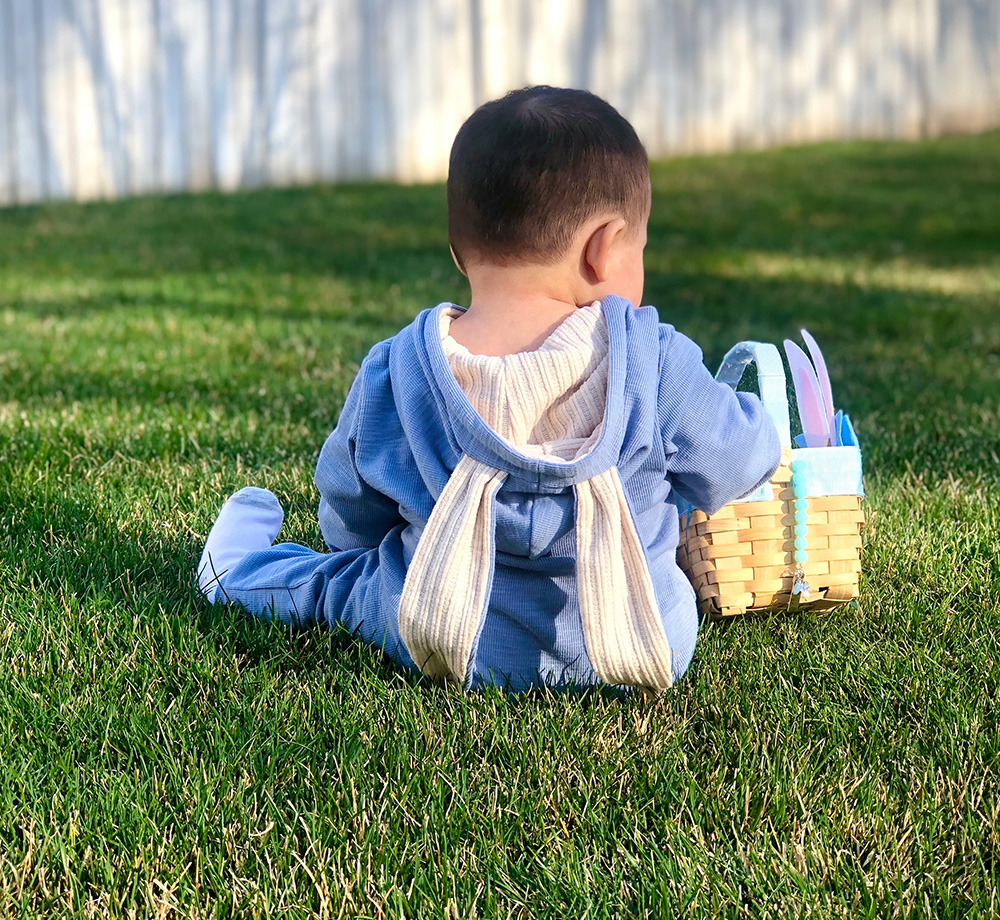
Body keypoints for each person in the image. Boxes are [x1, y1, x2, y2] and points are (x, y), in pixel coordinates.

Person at [197, 86, 780, 692]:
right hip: (637, 642)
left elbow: (350, 500)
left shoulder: (400, 367)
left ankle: (231, 574)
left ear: (458, 252)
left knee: (334, 585)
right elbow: (738, 459)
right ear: (605, 249)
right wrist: (755, 425)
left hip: (438, 632)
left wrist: (364, 548)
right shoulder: (653, 360)